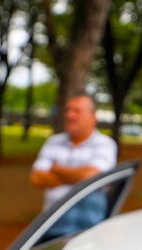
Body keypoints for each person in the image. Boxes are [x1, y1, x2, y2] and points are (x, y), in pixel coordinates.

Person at [30, 93, 117, 240]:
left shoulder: (104, 144)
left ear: (93, 117)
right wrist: (78, 177)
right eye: (68, 110)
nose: (70, 115)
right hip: (50, 228)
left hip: (88, 231)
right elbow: (36, 178)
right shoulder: (53, 142)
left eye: (77, 111)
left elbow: (91, 177)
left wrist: (56, 169)